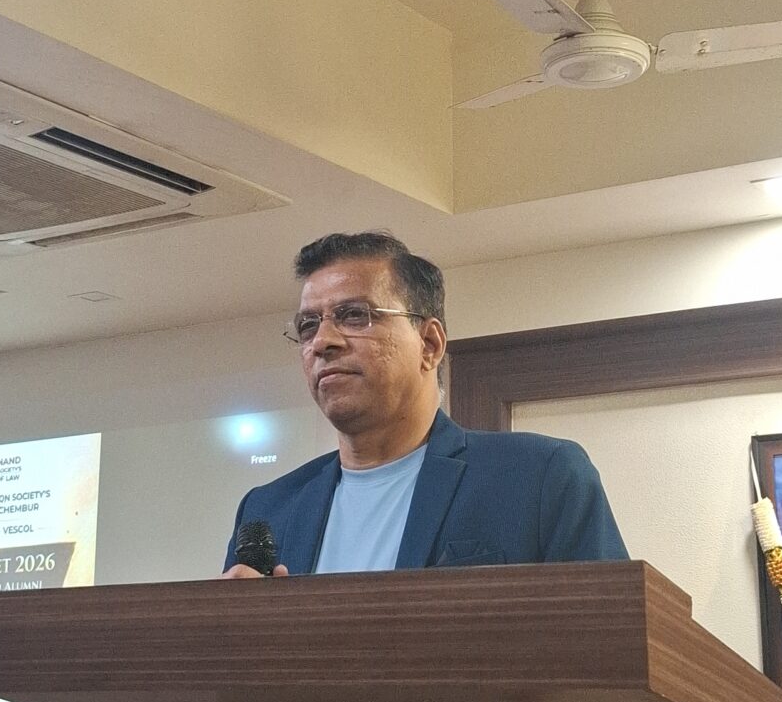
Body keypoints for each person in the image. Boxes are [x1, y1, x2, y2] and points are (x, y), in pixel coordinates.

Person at [224, 231, 626, 576]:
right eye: (308, 326)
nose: (322, 342)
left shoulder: (538, 477)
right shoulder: (270, 508)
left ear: (430, 344)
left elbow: (610, 632)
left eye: (354, 315)